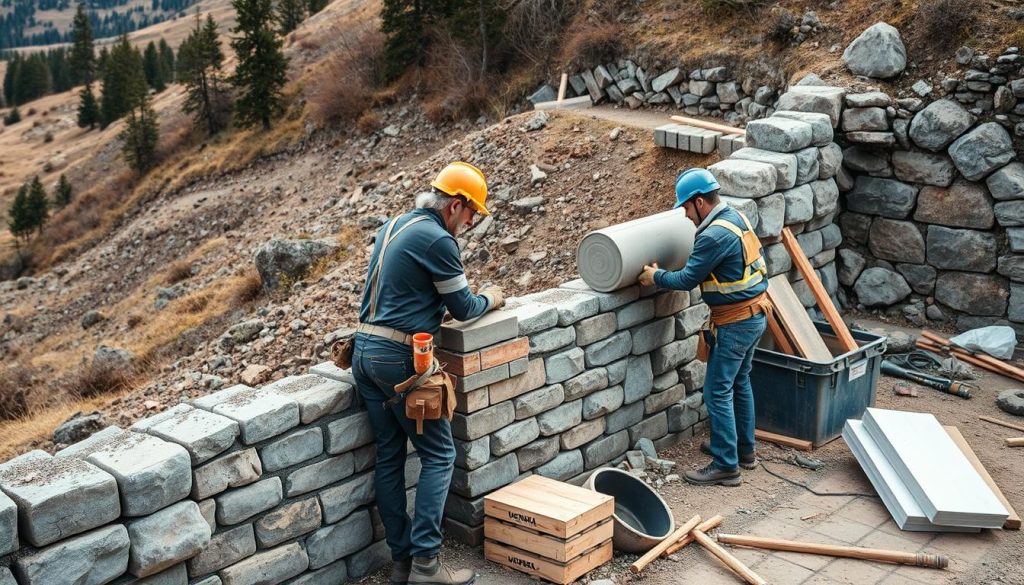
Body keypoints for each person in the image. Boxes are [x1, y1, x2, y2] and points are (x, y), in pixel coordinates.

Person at [352, 161, 503, 585]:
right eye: (472, 215)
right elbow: (465, 308)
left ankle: (402, 564)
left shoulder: (394, 225)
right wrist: (494, 297)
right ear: (456, 205)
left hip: (364, 351)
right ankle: (426, 567)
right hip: (399, 358)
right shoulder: (439, 240)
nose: (470, 224)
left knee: (390, 453)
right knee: (440, 454)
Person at [638, 168, 771, 487]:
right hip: (755, 314)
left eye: (685, 207)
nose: (684, 215)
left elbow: (686, 279)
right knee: (739, 382)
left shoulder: (713, 235)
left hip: (736, 322)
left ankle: (726, 465)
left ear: (699, 202)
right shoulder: (734, 217)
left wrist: (654, 277)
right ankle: (743, 450)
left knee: (717, 390)